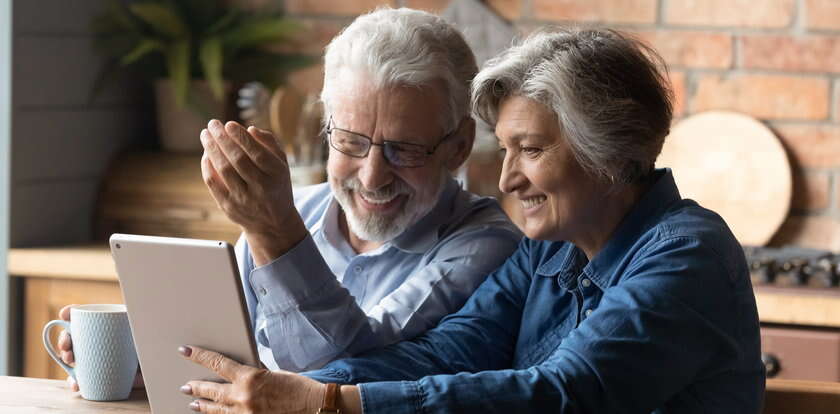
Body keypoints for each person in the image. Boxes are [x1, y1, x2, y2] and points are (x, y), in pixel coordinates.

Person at [177, 28, 765, 413]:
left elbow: (566, 392)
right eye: (505, 151)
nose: (508, 180)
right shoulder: (549, 250)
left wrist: (328, 402)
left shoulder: (688, 255)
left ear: (608, 153)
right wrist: (282, 392)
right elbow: (443, 352)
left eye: (530, 150)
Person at [55, 6, 522, 389]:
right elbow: (225, 356)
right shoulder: (296, 207)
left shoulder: (487, 246)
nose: (373, 175)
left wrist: (274, 232)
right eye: (351, 142)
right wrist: (147, 364)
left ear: (458, 146)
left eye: (404, 149)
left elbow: (340, 377)